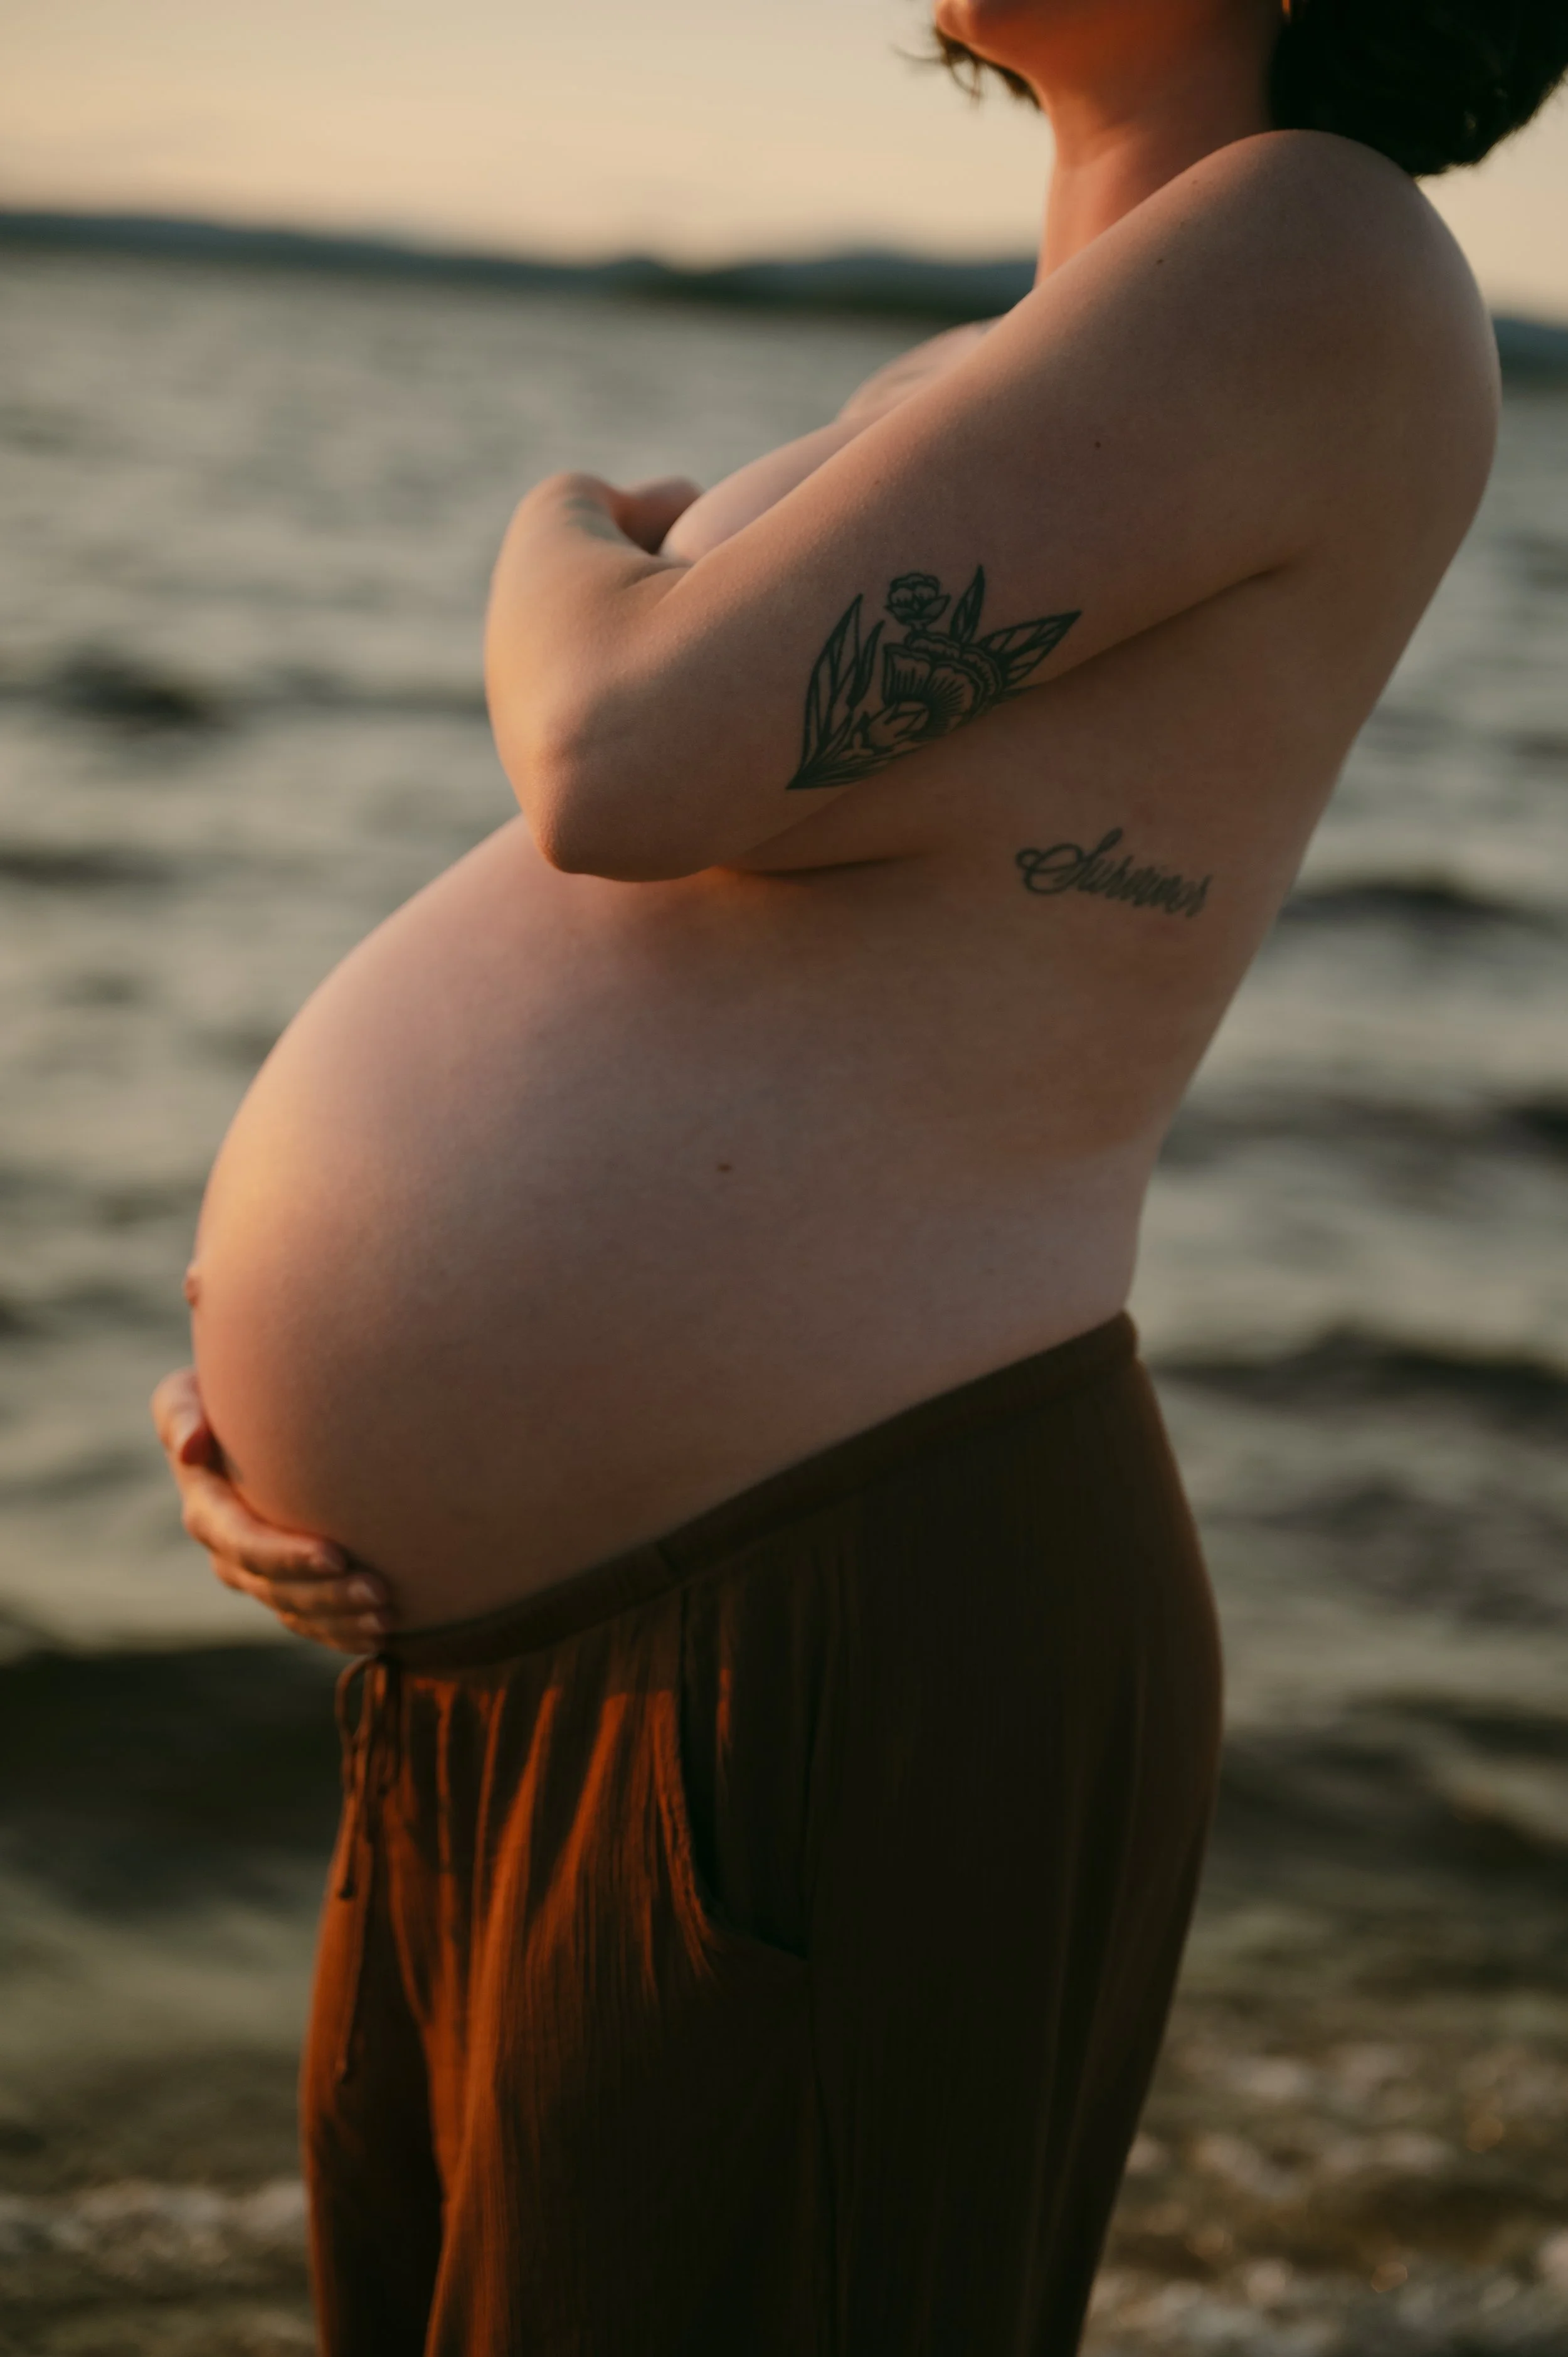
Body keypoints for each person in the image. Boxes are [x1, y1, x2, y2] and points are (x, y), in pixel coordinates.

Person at [151, 2, 1568, 2350]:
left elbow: (621, 755)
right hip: (537, 1662)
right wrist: (317, 1382)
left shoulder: (1317, 246)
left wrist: (560, 521)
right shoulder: (1014, 376)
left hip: (826, 1634)